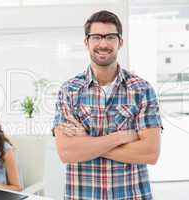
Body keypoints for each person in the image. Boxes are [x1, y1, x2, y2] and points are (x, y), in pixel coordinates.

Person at [53, 10, 163, 200]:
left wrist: (88, 144)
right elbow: (67, 152)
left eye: (110, 37)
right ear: (86, 42)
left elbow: (150, 153)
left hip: (132, 195)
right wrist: (121, 137)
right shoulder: (68, 91)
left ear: (120, 42)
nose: (103, 44)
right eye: (96, 37)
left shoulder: (142, 90)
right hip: (83, 196)